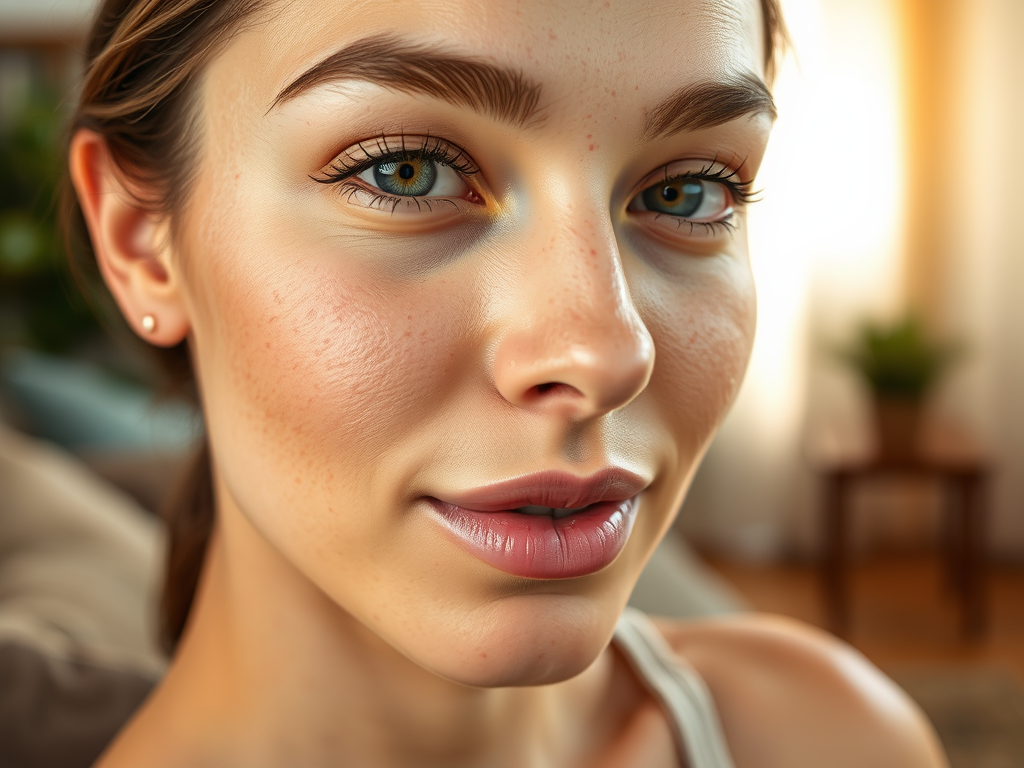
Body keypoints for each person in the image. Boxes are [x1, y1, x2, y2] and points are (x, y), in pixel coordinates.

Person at [66, 0, 948, 765]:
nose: (606, 355)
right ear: (142, 239)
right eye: (405, 171)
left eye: (686, 192)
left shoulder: (835, 742)